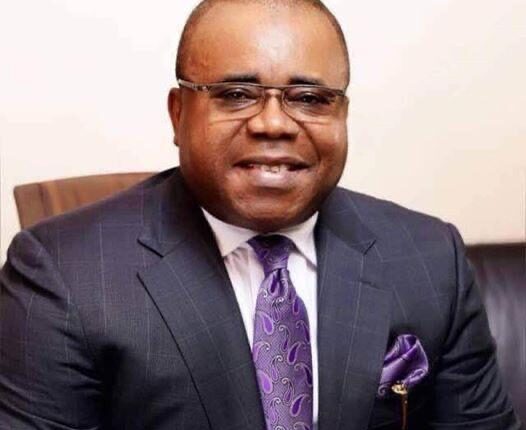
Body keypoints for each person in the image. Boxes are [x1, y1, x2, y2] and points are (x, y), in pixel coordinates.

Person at [0, 0, 521, 429]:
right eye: (236, 94)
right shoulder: (62, 275)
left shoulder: (431, 259)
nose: (274, 123)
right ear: (178, 115)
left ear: (342, 114)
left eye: (310, 98)